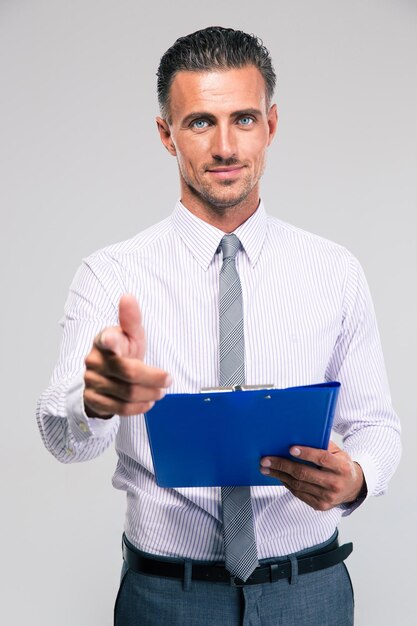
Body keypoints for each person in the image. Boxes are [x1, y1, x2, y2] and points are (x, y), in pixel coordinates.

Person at [37, 26, 401, 626]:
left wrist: (356, 479)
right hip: (166, 600)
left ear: (272, 125)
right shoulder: (110, 274)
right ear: (166, 134)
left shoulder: (334, 270)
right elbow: (63, 438)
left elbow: (376, 426)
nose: (226, 146)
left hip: (308, 590)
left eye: (245, 119)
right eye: (201, 122)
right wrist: (96, 403)